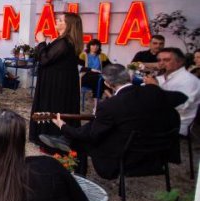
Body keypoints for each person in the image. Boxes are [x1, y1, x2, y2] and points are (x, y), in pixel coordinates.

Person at [41, 64, 186, 178]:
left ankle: (77, 168)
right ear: (129, 77)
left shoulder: (110, 106)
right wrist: (154, 88)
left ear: (107, 83)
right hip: (157, 156)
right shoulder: (154, 93)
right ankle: (67, 139)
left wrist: (63, 125)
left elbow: (92, 136)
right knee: (102, 127)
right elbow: (181, 97)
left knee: (82, 139)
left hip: (125, 159)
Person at [29, 13, 83, 146]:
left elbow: (45, 59)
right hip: (56, 82)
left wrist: (42, 42)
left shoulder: (65, 42)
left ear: (68, 24)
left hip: (57, 85)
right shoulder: (64, 41)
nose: (56, 21)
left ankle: (51, 137)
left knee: (53, 108)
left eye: (60, 20)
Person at [145, 47, 200, 136]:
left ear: (180, 62)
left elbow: (181, 107)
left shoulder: (189, 80)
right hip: (159, 118)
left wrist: (155, 88)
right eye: (159, 60)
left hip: (176, 124)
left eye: (166, 60)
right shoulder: (162, 77)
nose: (161, 63)